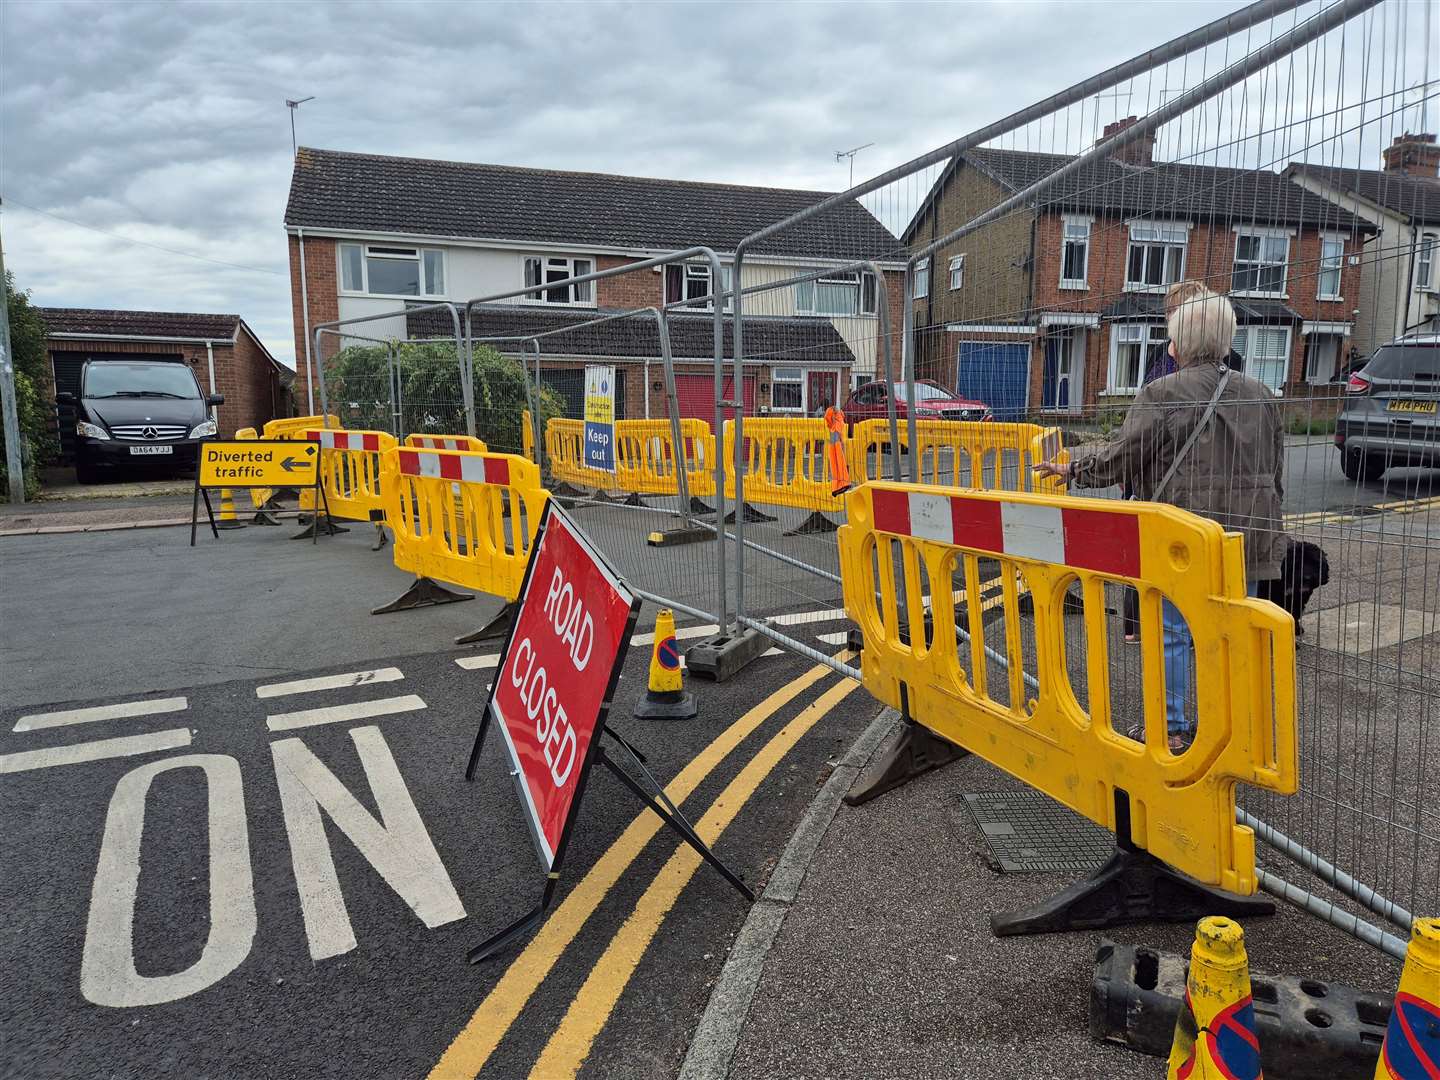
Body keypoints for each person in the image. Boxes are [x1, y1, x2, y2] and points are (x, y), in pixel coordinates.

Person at [1034, 285, 1284, 753]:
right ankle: (1230, 731)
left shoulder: (1162, 392)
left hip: (1184, 538)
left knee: (1173, 634)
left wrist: (1071, 468)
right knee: (1229, 633)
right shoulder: (1262, 395)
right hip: (1247, 538)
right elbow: (1275, 473)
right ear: (1227, 338)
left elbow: (1121, 457)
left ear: (1180, 340)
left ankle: (1173, 727)